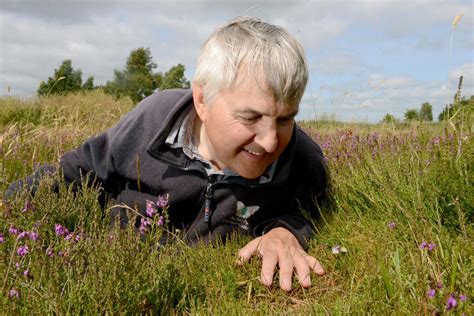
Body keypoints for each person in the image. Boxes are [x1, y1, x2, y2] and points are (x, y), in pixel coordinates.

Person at [6, 16, 328, 292]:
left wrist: (285, 232)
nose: (271, 142)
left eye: (286, 118)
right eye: (250, 117)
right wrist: (10, 207)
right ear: (202, 99)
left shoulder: (303, 157)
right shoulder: (153, 119)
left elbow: (311, 209)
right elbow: (82, 167)